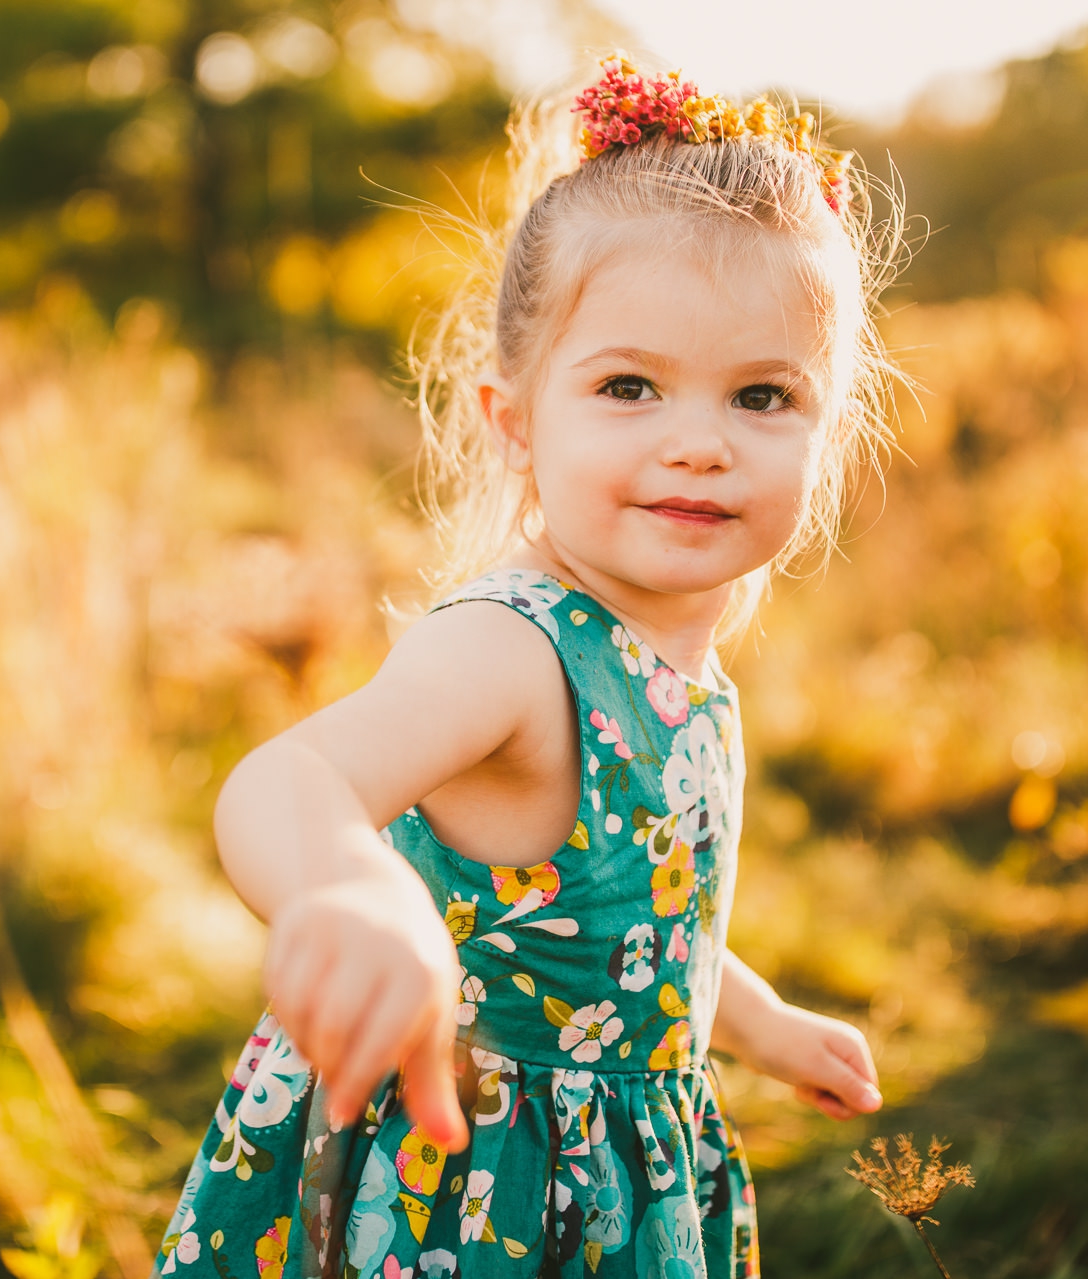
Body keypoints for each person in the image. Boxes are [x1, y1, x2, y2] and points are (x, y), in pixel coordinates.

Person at [153, 56, 905, 1279]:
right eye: (629, 386)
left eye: (762, 395)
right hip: (468, 1187)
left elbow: (619, 937)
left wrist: (755, 1021)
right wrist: (353, 896)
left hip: (618, 1178)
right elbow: (288, 780)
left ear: (831, 427)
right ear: (517, 420)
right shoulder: (510, 648)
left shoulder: (682, 668)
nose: (700, 442)